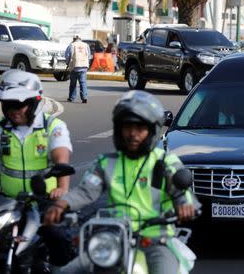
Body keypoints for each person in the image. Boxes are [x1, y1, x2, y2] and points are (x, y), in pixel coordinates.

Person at [44, 90, 200, 274]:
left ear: (152, 130)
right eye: (127, 127)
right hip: (112, 238)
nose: (132, 134)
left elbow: (183, 193)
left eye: (139, 128)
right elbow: (86, 191)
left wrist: (185, 206)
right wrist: (62, 204)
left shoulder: (164, 162)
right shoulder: (106, 163)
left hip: (156, 241)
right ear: (119, 129)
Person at [0, 70, 74, 267]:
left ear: (34, 101)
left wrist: (61, 189)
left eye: (18, 104)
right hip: (6, 203)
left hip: (44, 201)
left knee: (56, 236)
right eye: (8, 105)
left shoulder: (52, 126)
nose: (13, 110)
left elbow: (61, 156)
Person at [66, 35, 90, 103]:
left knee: (73, 83)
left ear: (74, 39)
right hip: (84, 66)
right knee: (83, 83)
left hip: (74, 66)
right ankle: (84, 97)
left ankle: (71, 98)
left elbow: (67, 55)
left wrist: (67, 63)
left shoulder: (72, 45)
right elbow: (89, 55)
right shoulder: (86, 45)